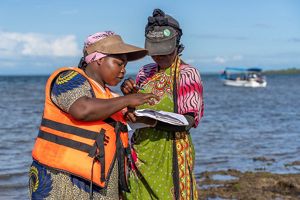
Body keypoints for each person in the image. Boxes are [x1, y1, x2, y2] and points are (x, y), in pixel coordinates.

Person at [28, 31, 158, 200]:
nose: (123, 71)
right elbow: (82, 110)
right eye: (119, 64)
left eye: (125, 66)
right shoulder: (68, 79)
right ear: (98, 59)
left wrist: (133, 106)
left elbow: (134, 121)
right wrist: (127, 99)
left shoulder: (109, 96)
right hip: (62, 181)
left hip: (99, 185)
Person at [121, 9, 204, 200]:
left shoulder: (187, 74)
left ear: (177, 46)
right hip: (142, 152)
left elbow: (188, 121)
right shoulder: (145, 72)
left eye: (165, 53)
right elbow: (134, 108)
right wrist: (128, 94)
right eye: (155, 53)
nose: (159, 58)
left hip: (171, 153)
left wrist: (152, 121)